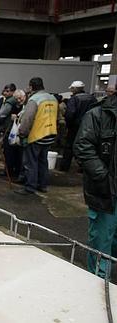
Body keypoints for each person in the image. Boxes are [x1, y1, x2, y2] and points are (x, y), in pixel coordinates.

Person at [74, 91, 117, 278]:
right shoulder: (97, 114)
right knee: (101, 241)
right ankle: (98, 283)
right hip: (106, 192)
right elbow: (83, 147)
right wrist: (104, 178)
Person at [15, 77, 58, 195]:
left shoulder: (34, 99)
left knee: (31, 162)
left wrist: (22, 133)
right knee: (43, 161)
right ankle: (42, 185)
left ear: (32, 86)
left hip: (37, 135)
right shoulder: (52, 98)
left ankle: (30, 187)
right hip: (50, 134)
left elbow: (28, 118)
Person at [60, 81, 97, 172]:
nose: (71, 90)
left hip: (75, 127)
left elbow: (70, 114)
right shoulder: (92, 98)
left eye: (72, 88)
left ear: (75, 89)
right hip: (89, 126)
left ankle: (64, 167)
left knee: (69, 147)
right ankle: (83, 167)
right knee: (85, 147)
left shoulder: (74, 99)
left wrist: (68, 125)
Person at [0, 85, 24, 179]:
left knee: (9, 152)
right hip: (17, 131)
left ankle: (9, 171)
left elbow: (1, 114)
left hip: (10, 130)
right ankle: (15, 171)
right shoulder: (23, 103)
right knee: (16, 153)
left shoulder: (9, 102)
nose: (5, 93)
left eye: (7, 91)